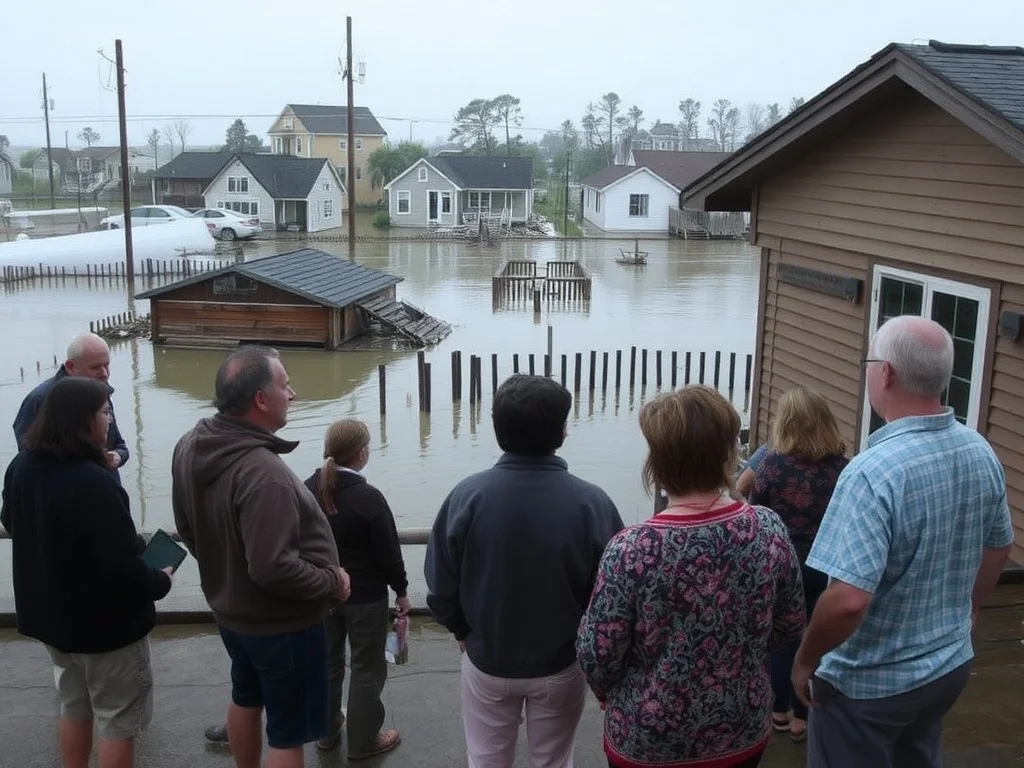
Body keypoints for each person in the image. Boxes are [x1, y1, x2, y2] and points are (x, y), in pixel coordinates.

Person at [792, 316, 1015, 768]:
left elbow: (849, 600)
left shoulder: (872, 473)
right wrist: (968, 607)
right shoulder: (979, 450)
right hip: (946, 666)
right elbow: (999, 547)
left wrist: (806, 658)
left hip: (868, 688)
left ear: (886, 373)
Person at [577, 384, 805, 768]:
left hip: (649, 739)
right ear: (727, 453)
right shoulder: (767, 529)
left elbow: (598, 655)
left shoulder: (632, 549)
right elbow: (790, 623)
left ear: (658, 461)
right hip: (740, 727)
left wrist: (620, 694)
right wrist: (737, 660)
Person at [425, 374, 624, 768]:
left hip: (486, 658)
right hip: (562, 662)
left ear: (496, 427)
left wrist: (461, 630)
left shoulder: (466, 497)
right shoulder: (593, 503)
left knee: (485, 759)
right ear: (563, 431)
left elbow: (440, 583)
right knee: (552, 760)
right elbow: (612, 595)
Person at [171, 345, 351, 768]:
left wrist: (223, 570)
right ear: (260, 399)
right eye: (286, 386)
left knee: (245, 697)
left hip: (234, 616)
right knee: (287, 735)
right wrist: (333, 583)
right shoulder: (261, 473)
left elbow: (187, 528)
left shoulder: (190, 444)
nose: (294, 395)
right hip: (284, 627)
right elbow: (273, 566)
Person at [1, 377, 173, 768]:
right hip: (106, 631)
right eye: (104, 412)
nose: (109, 421)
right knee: (117, 723)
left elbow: (11, 520)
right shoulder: (94, 482)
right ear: (80, 420)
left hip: (52, 622)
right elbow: (122, 567)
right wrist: (160, 580)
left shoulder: (21, 466)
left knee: (73, 707)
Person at [748, 387, 848, 741]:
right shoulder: (842, 467)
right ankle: (802, 717)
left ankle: (777, 710)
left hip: (784, 562)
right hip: (826, 563)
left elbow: (756, 512)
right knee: (816, 636)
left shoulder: (772, 465)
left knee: (782, 637)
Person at [305, 419, 409, 759]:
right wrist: (402, 590)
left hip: (320, 593)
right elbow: (389, 553)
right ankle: (364, 742)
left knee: (328, 663)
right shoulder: (368, 498)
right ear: (362, 453)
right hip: (365, 597)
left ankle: (326, 732)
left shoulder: (307, 489)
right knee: (367, 667)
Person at [12, 332, 129, 483]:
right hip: (64, 496)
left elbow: (119, 444)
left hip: (103, 487)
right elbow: (30, 460)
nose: (104, 374)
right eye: (95, 367)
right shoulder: (40, 400)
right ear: (70, 366)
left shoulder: (100, 393)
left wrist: (118, 456)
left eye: (107, 365)